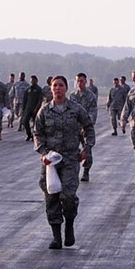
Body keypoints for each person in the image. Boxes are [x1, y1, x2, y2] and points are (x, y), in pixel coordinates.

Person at [32, 75, 93, 250]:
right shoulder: (44, 111)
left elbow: (88, 127)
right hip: (51, 161)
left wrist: (87, 148)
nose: (57, 88)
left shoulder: (75, 109)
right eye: (54, 86)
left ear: (66, 88)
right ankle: (56, 236)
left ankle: (70, 224)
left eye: (60, 85)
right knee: (51, 197)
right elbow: (38, 134)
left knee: (68, 196)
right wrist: (43, 153)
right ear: (51, 89)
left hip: (70, 159)